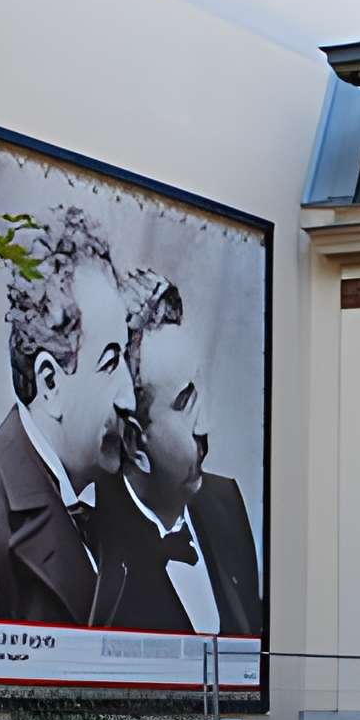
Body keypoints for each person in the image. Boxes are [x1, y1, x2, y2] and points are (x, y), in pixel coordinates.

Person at [0, 203, 136, 627]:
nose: (129, 397)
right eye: (111, 362)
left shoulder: (126, 494)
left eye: (127, 357)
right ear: (50, 383)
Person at [97, 268, 266, 640]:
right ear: (135, 444)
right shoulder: (93, 546)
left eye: (199, 392)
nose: (205, 426)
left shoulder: (225, 502)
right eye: (185, 404)